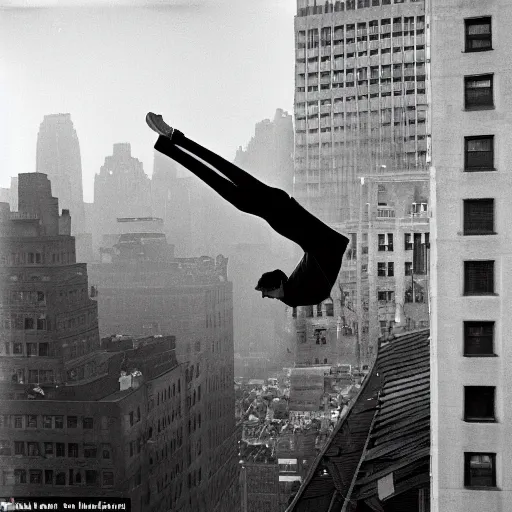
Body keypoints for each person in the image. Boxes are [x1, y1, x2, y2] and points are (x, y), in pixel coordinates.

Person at [146, 112, 349, 307]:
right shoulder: (293, 294)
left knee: (228, 175)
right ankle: (170, 140)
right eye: (266, 292)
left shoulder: (294, 290)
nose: (265, 296)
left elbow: (299, 269)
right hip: (284, 215)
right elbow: (303, 270)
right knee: (227, 181)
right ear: (277, 287)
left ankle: (171, 139)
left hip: (284, 214)